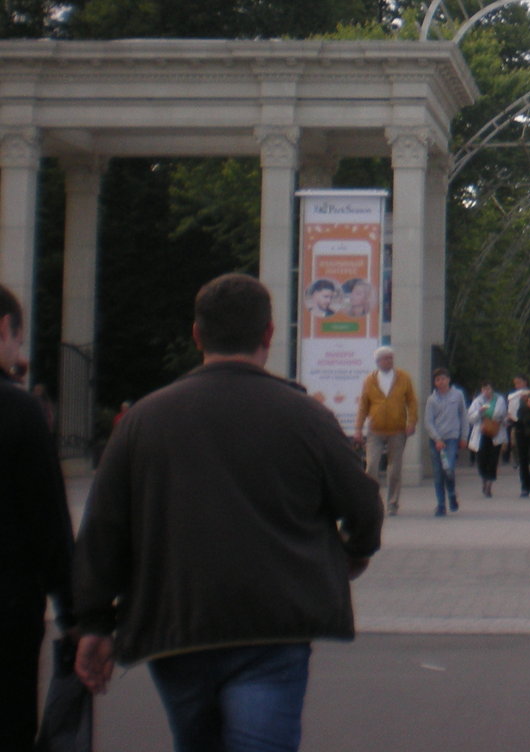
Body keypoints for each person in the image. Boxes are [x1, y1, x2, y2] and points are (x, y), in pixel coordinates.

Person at [73, 273, 383, 751]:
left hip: (177, 625)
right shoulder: (306, 417)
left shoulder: (143, 421)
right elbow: (363, 504)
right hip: (274, 624)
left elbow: (103, 531)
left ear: (197, 335)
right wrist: (353, 553)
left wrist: (94, 623)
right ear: (268, 334)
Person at [0, 282, 75, 750]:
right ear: (4, 328)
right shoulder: (18, 411)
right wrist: (76, 613)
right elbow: (47, 522)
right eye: (18, 340)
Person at [355, 344, 419, 516]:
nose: (389, 361)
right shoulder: (370, 380)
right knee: (372, 466)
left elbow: (412, 401)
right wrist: (358, 429)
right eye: (385, 358)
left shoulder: (403, 377)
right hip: (375, 430)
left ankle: (393, 503)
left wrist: (411, 422)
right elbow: (363, 405)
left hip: (397, 429)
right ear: (378, 361)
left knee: (394, 469)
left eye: (391, 357)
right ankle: (372, 502)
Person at [424, 368, 468, 516]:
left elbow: (463, 416)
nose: (441, 382)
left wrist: (464, 437)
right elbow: (428, 422)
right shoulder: (432, 400)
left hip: (451, 438)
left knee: (448, 469)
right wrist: (436, 439)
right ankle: (441, 504)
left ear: (448, 380)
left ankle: (451, 494)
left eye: (443, 379)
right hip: (437, 440)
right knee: (438, 473)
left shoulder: (457, 395)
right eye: (437, 380)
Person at [467, 381, 507, 497]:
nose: (486, 391)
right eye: (484, 389)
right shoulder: (477, 401)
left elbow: (501, 414)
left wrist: (490, 414)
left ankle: (489, 483)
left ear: (492, 390)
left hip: (495, 433)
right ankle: (484, 478)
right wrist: (480, 412)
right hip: (481, 433)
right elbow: (471, 417)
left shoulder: (499, 400)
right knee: (482, 459)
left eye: (488, 389)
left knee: (493, 459)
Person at [508, 374, 530, 498]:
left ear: (525, 382)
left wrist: (529, 403)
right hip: (519, 428)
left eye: (519, 382)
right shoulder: (513, 396)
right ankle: (525, 486)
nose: (517, 386)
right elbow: (513, 413)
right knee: (522, 458)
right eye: (515, 383)